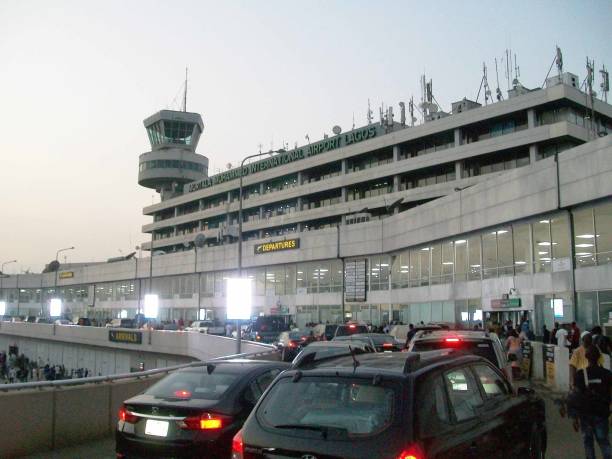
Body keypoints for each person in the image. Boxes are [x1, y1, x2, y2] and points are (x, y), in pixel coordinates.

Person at [574, 345, 611, 459]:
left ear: (586, 357)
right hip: (602, 413)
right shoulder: (607, 374)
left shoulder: (580, 374)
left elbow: (577, 397)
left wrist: (575, 417)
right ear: (599, 357)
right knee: (604, 442)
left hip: (586, 415)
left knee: (588, 443)